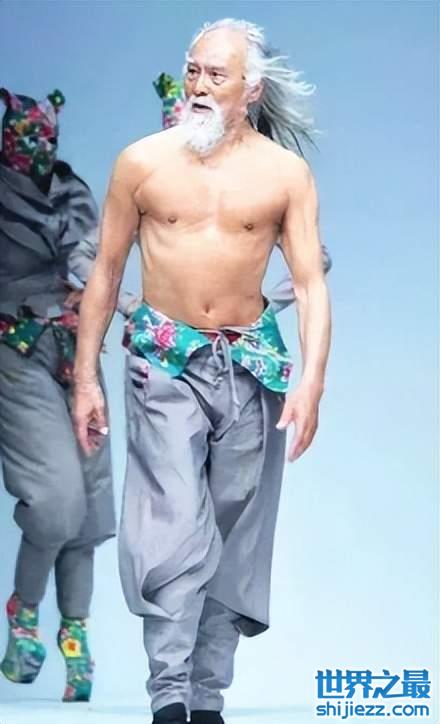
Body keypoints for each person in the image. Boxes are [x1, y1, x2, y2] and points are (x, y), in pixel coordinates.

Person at [73, 18, 332, 724]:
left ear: (251, 89)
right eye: (193, 70)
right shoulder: (142, 163)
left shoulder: (284, 175)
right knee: (171, 522)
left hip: (250, 367)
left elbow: (309, 284)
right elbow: (105, 273)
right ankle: (169, 692)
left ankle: (207, 696)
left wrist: (312, 381)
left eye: (216, 74)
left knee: (234, 528)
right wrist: (86, 377)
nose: (198, 85)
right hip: (164, 361)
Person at [0, 87, 137, 701]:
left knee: (90, 506)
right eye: (23, 133)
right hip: (17, 348)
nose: (35, 145)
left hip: (76, 348)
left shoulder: (71, 189)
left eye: (44, 134)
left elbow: (93, 259)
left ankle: (74, 631)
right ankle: (25, 612)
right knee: (55, 501)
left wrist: (113, 301)